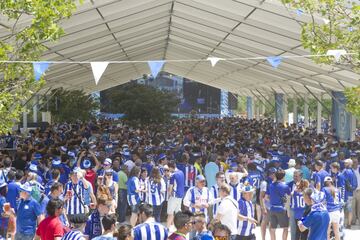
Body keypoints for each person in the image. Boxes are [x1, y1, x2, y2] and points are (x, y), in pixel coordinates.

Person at [266, 169, 290, 240]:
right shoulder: (285, 186)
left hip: (272, 208)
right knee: (285, 228)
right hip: (281, 209)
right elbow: (289, 196)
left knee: (272, 229)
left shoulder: (270, 185)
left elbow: (266, 197)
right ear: (283, 177)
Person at [259, 167, 276, 240]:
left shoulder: (275, 181)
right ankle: (263, 238)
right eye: (274, 173)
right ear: (270, 174)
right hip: (267, 206)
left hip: (273, 206)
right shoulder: (264, 183)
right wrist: (263, 208)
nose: (275, 175)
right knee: (264, 222)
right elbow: (261, 197)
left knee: (272, 224)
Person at [167, 160, 185, 227]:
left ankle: (167, 228)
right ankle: (180, 227)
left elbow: (171, 187)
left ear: (170, 167)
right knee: (178, 212)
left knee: (170, 213)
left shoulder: (173, 175)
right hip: (180, 195)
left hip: (174, 196)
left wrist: (169, 194)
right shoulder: (181, 172)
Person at [342, 158, 358, 228]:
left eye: (346, 163)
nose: (344, 164)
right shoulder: (353, 172)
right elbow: (355, 184)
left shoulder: (345, 171)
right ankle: (349, 224)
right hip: (351, 194)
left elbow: (342, 181)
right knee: (350, 210)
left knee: (344, 210)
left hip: (344, 194)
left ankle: (343, 224)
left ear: (349, 164)